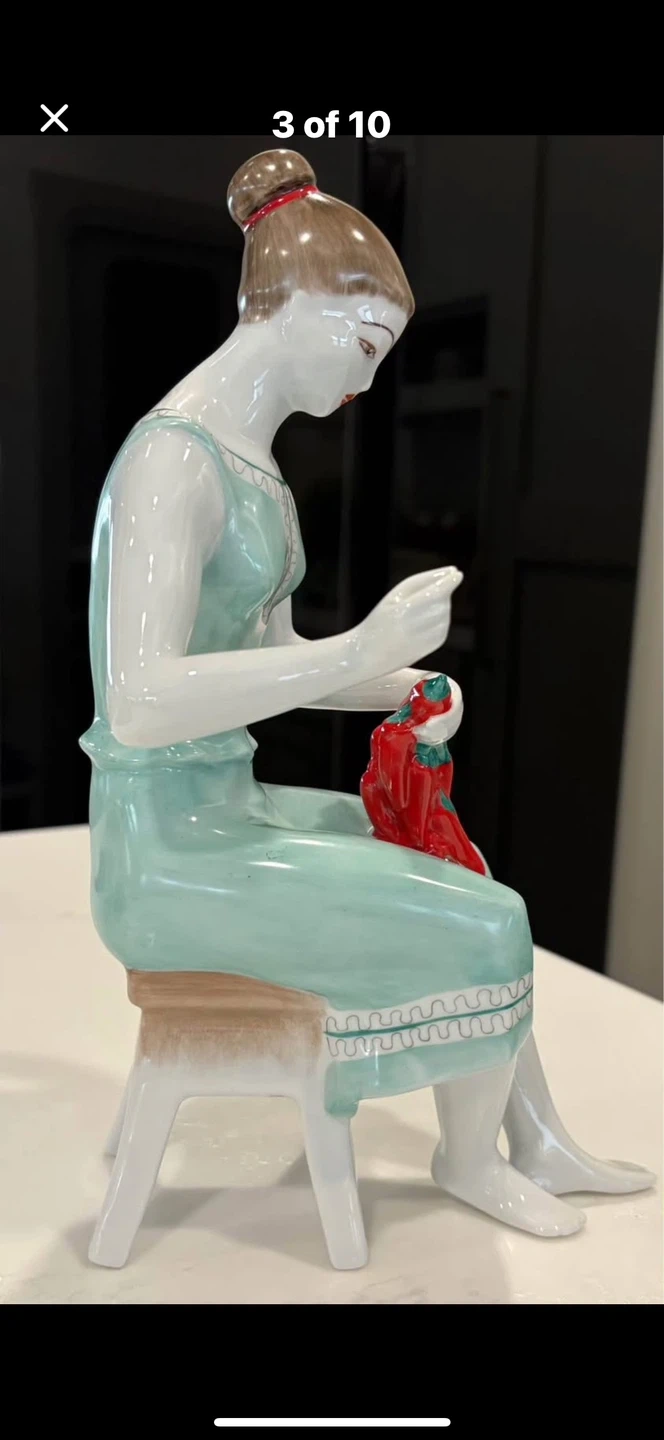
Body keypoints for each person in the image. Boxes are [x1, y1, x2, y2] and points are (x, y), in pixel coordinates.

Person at [82, 150, 652, 1245]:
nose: (367, 378)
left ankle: (534, 1137)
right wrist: (359, 645)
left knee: (452, 868)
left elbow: (279, 660)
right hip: (164, 854)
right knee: (493, 919)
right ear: (295, 302)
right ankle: (468, 1159)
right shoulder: (172, 461)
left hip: (225, 810)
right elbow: (142, 702)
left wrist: (401, 679)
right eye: (365, 343)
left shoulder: (252, 468)